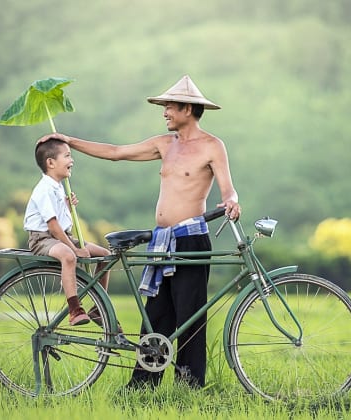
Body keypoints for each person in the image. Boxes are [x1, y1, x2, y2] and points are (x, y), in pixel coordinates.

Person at [38, 75, 241, 389]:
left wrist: (231, 201)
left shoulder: (213, 146)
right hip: (160, 240)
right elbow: (116, 151)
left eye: (169, 107)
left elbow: (228, 190)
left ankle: (188, 385)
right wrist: (69, 141)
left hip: (190, 239)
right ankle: (143, 384)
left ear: (188, 109)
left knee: (189, 314)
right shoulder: (164, 144)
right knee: (156, 314)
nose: (164, 112)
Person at [24, 138, 111, 326]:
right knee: (69, 256)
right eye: (67, 156)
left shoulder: (57, 186)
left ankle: (98, 307)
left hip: (62, 236)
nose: (72, 160)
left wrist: (67, 207)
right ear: (51, 163)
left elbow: (60, 220)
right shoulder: (44, 189)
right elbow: (53, 226)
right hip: (43, 238)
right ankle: (74, 309)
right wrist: (74, 248)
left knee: (105, 255)